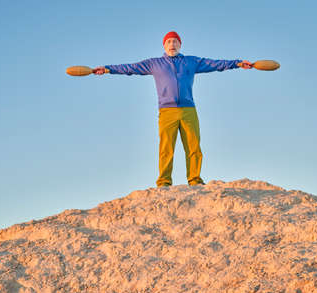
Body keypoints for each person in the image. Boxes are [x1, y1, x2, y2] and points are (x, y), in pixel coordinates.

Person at [93, 31, 252, 187]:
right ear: (164, 45)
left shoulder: (191, 61)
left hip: (188, 110)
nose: (172, 44)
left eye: (175, 41)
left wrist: (237, 63)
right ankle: (164, 182)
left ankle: (195, 180)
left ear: (180, 45)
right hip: (166, 112)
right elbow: (130, 68)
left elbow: (215, 64)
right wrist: (107, 69)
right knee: (166, 148)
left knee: (194, 146)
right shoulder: (154, 63)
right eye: (169, 42)